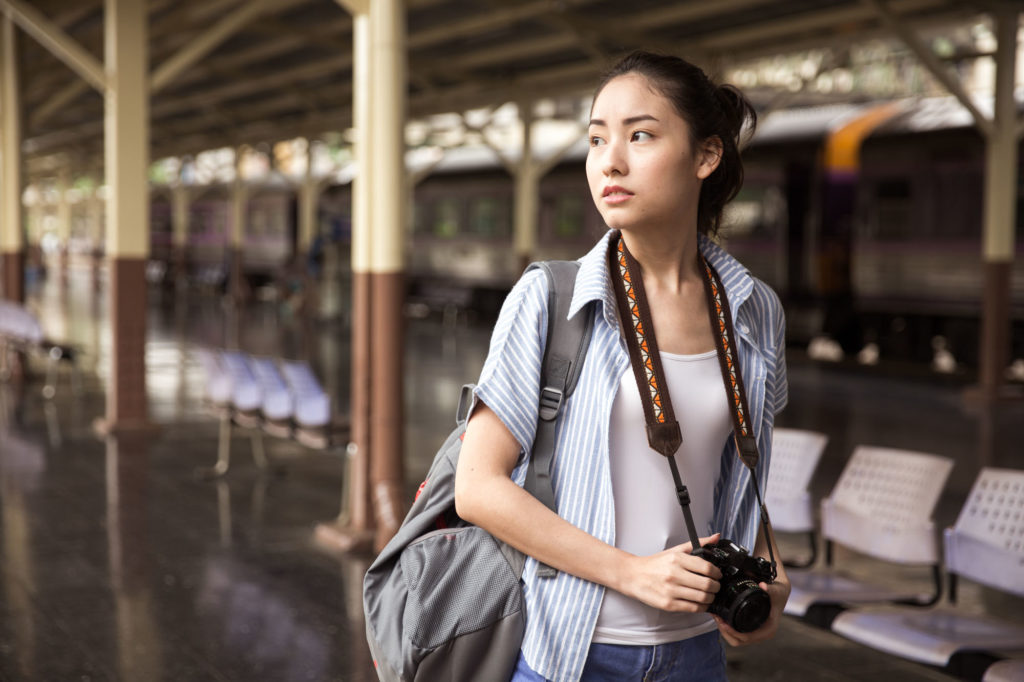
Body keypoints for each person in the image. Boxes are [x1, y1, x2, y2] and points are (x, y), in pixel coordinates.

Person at [454, 50, 789, 682]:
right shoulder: (551, 298)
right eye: (597, 139)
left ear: (706, 155)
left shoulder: (753, 310)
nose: (610, 160)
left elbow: (746, 480)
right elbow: (478, 488)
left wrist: (773, 576)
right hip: (573, 653)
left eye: (640, 135)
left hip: (697, 653)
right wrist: (632, 573)